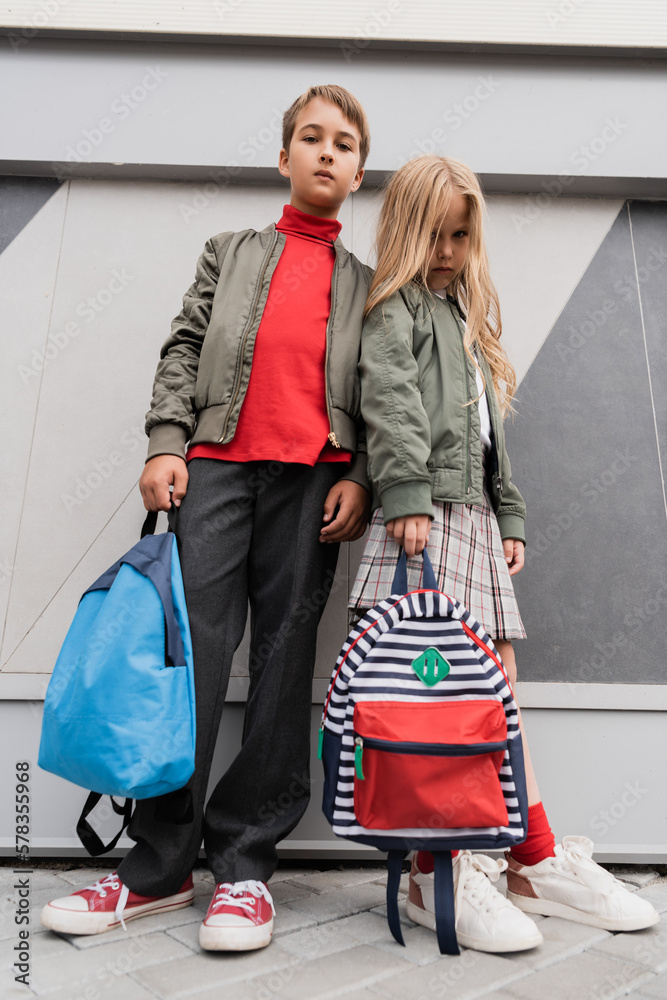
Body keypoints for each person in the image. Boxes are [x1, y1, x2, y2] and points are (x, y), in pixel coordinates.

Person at [41, 84, 372, 952]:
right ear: (284, 158)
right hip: (216, 473)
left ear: (360, 170)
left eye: (344, 143)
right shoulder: (228, 252)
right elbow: (184, 344)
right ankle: (154, 868)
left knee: (279, 663)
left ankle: (245, 870)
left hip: (314, 484)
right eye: (311, 137)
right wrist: (165, 442)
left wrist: (365, 477)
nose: (326, 152)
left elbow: (384, 392)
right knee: (188, 663)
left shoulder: (371, 285)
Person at [348, 154, 659, 954]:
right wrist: (408, 492)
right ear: (406, 231)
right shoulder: (399, 310)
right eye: (434, 235)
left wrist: (510, 512)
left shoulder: (466, 318)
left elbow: (489, 440)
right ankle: (434, 870)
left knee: (493, 697)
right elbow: (387, 401)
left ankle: (528, 856)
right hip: (424, 520)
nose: (448, 250)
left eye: (460, 235)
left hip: (474, 524)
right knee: (434, 702)